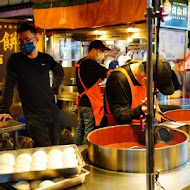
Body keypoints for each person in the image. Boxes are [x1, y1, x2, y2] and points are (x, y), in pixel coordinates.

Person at [0, 24, 64, 147]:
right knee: (44, 147)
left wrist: (54, 90)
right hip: (34, 115)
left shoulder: (45, 58)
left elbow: (59, 71)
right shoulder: (15, 60)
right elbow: (8, 85)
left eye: (27, 40)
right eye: (20, 41)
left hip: (52, 112)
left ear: (36, 39)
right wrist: (4, 110)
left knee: (55, 147)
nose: (24, 44)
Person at [101, 55, 180, 126]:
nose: (155, 90)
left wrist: (165, 123)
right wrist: (140, 110)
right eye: (156, 88)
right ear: (145, 81)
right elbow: (120, 115)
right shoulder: (119, 79)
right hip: (119, 133)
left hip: (141, 128)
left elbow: (156, 108)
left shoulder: (148, 71)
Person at [73, 40, 111, 145]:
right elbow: (108, 73)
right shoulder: (90, 63)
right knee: (88, 130)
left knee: (80, 128)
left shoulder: (81, 62)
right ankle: (85, 152)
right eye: (101, 51)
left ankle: (75, 149)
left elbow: (93, 78)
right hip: (90, 103)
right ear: (94, 50)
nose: (102, 54)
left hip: (82, 102)